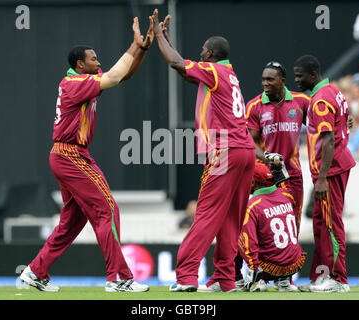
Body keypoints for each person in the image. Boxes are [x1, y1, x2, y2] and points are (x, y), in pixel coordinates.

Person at [19, 16, 154, 293]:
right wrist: (133, 45)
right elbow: (115, 75)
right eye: (94, 59)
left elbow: (123, 75)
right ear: (80, 64)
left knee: (72, 221)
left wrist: (141, 49)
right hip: (71, 155)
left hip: (68, 155)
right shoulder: (73, 83)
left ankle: (35, 271)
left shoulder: (83, 81)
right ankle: (118, 278)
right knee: (108, 209)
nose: (98, 62)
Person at [152, 9, 255, 292]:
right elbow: (185, 73)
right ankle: (226, 279)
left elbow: (176, 63)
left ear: (210, 53)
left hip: (226, 152)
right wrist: (168, 38)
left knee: (206, 214)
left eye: (202, 51)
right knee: (231, 219)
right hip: (245, 150)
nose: (199, 54)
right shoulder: (228, 74)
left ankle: (186, 277)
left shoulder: (212, 71)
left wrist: (158, 36)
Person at [294, 55, 356, 293]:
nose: (297, 80)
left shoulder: (320, 100)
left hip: (330, 170)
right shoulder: (333, 91)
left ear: (312, 75)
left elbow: (328, 139)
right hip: (335, 166)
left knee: (330, 223)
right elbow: (346, 120)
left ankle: (338, 279)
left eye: (300, 75)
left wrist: (321, 178)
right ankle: (322, 276)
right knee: (321, 223)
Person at [245, 61, 310, 236]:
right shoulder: (254, 106)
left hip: (293, 173)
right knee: (267, 226)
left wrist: (345, 119)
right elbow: (251, 142)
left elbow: (322, 117)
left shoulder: (301, 101)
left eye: (270, 79)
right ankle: (260, 263)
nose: (265, 83)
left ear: (282, 80)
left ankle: (290, 261)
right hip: (266, 176)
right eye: (263, 79)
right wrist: (267, 158)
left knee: (292, 224)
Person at [238, 162, 306, 292]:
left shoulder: (252, 205)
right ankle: (284, 281)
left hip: (269, 265)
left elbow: (249, 241)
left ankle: (259, 279)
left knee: (237, 232)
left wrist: (253, 268)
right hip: (294, 263)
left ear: (253, 183)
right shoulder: (286, 194)